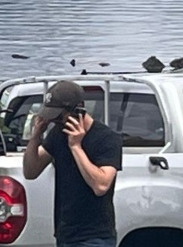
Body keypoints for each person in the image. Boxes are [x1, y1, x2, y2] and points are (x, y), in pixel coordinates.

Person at [22, 80, 123, 247]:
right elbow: (30, 172)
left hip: (94, 235)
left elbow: (101, 186)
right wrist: (35, 137)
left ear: (78, 109)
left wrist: (76, 146)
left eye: (58, 116)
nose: (55, 121)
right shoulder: (58, 134)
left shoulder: (107, 138)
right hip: (65, 233)